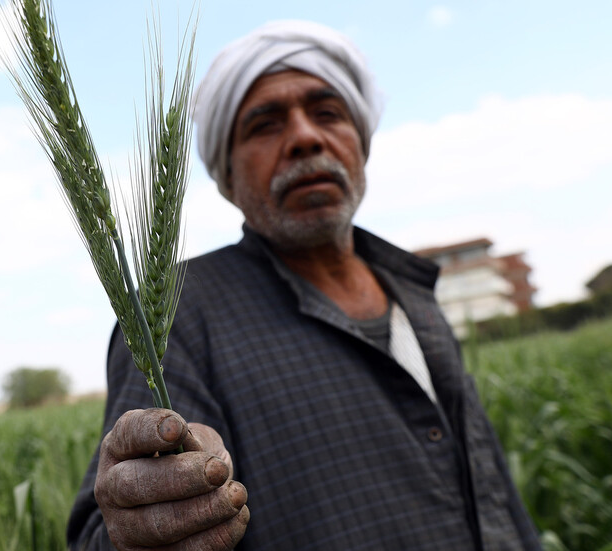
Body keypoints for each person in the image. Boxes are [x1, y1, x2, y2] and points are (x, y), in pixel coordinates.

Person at [68, 20, 541, 551]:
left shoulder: (416, 295)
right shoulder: (180, 313)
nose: (305, 136)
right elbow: (104, 533)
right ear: (226, 177)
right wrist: (137, 528)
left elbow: (492, 490)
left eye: (327, 113)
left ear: (360, 142)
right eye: (265, 125)